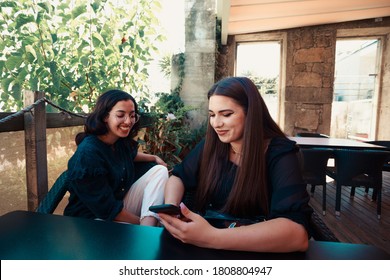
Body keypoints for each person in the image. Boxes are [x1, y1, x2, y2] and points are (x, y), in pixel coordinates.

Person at [160, 77, 313, 252]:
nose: (216, 124)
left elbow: (296, 234)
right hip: (200, 246)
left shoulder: (279, 154)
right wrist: (172, 211)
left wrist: (210, 237)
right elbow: (179, 176)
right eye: (212, 115)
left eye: (226, 114)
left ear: (251, 113)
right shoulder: (212, 144)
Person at [64, 89, 168, 226]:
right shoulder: (88, 154)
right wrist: (140, 223)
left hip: (117, 204)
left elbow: (131, 156)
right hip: (89, 220)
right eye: (120, 115)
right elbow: (107, 209)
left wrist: (154, 158)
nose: (128, 121)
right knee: (135, 233)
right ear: (105, 117)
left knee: (160, 171)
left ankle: (148, 225)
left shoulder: (117, 142)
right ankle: (148, 228)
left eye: (132, 115)